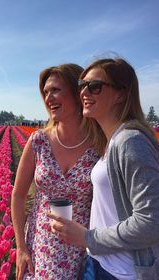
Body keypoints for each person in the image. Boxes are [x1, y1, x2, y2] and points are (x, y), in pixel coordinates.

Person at [48, 58, 159, 280]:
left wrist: (88, 238)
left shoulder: (130, 141)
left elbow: (151, 222)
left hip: (122, 272)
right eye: (82, 85)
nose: (84, 92)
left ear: (121, 93)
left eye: (95, 86)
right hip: (99, 262)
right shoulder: (110, 141)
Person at [11, 63, 101, 279]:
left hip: (82, 248)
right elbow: (18, 194)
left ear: (77, 91)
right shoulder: (38, 141)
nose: (48, 97)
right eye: (45, 92)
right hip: (41, 244)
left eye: (56, 90)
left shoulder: (100, 144)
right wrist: (21, 248)